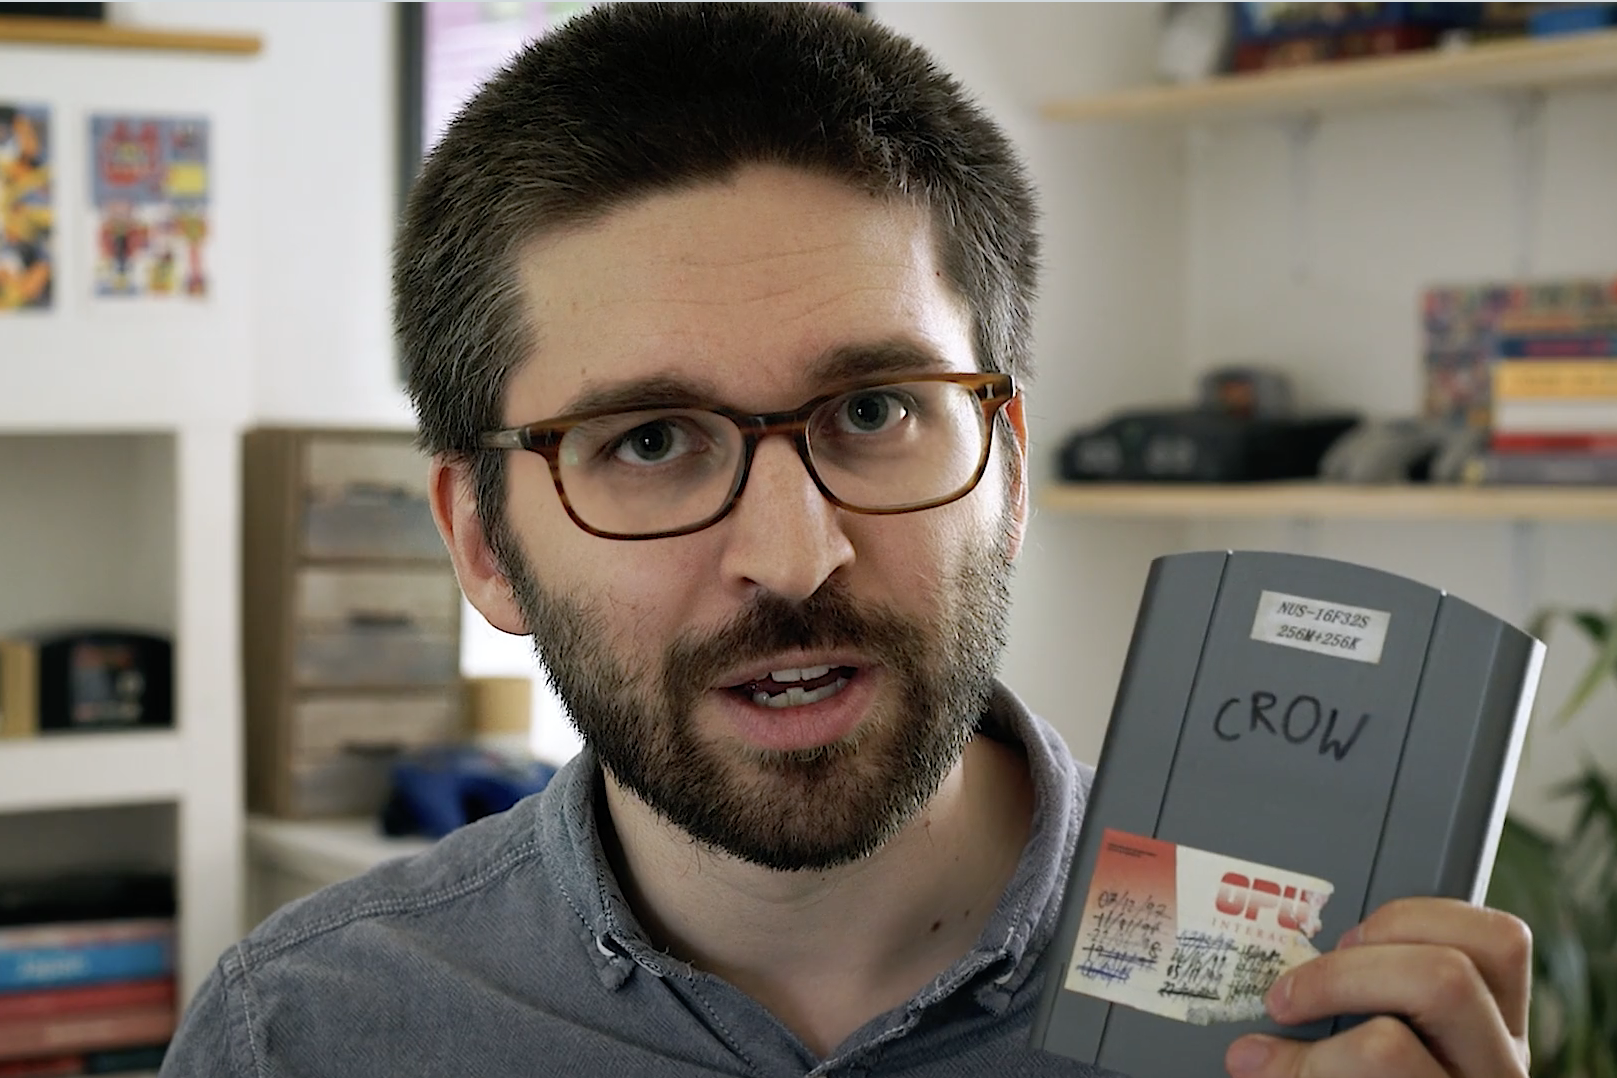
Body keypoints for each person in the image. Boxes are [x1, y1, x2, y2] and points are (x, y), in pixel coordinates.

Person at [162, 5, 1532, 1075]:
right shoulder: (300, 1036)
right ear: (482, 543)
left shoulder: (1332, 1016)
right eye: (650, 439)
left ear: (1010, 465)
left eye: (875, 410)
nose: (794, 553)